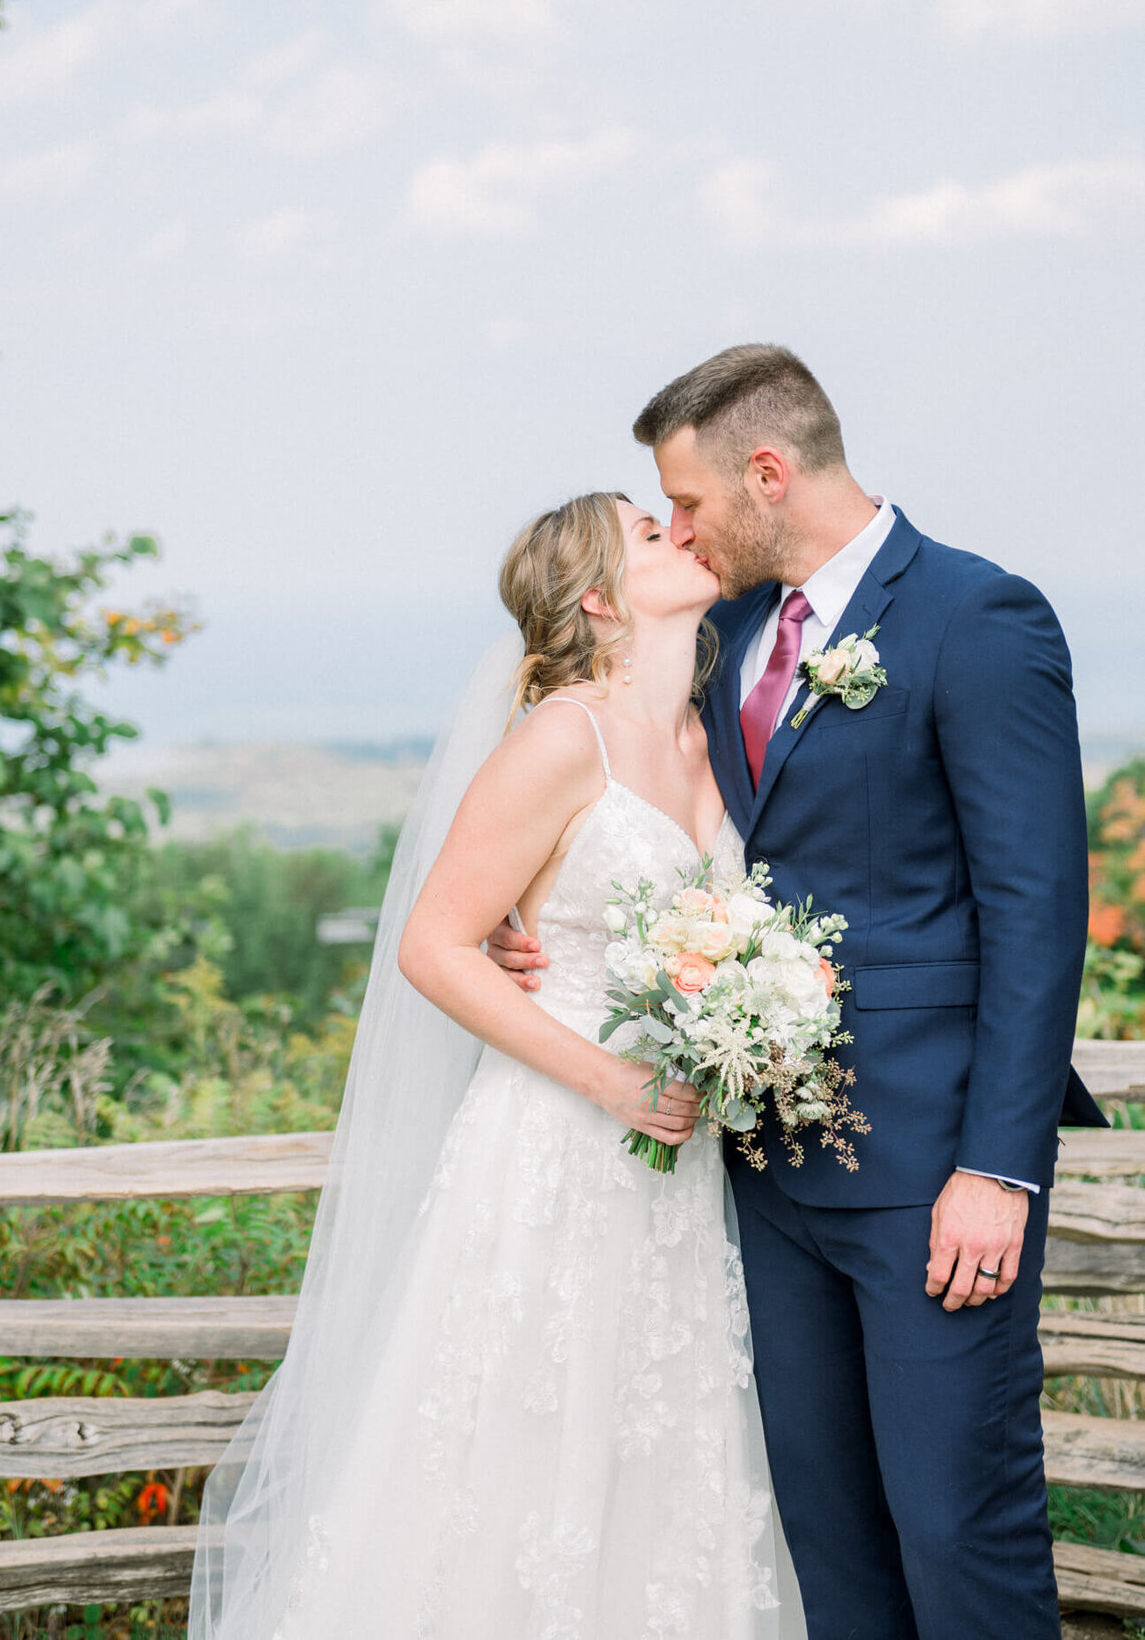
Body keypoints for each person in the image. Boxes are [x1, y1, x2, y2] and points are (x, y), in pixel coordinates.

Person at [491, 344, 1106, 1640]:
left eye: (692, 504)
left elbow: (1037, 913)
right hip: (759, 1176)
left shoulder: (976, 618)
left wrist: (1001, 1169)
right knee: (826, 1534)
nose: (684, 532)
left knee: (956, 1527)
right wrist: (522, 911)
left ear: (767, 472)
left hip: (931, 1175)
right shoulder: (720, 629)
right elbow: (623, 791)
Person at [189, 491, 804, 1640]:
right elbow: (434, 944)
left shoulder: (709, 730)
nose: (680, 529)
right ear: (596, 597)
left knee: (660, 1465)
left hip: (682, 1175)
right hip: (554, 1154)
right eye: (649, 530)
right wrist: (607, 1079)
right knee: (519, 1464)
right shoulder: (563, 737)